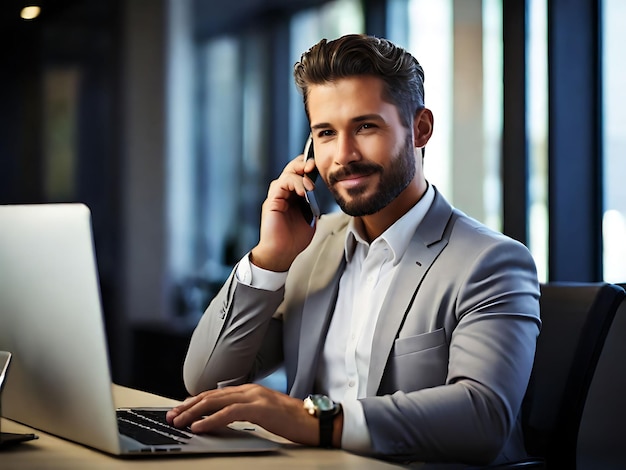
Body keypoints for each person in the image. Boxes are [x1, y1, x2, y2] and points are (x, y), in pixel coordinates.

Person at [166, 33, 541, 466]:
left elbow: (483, 418)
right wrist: (269, 258)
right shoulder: (311, 246)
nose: (343, 155)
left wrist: (315, 421)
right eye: (325, 133)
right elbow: (206, 378)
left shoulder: (491, 262)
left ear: (420, 129)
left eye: (365, 126)